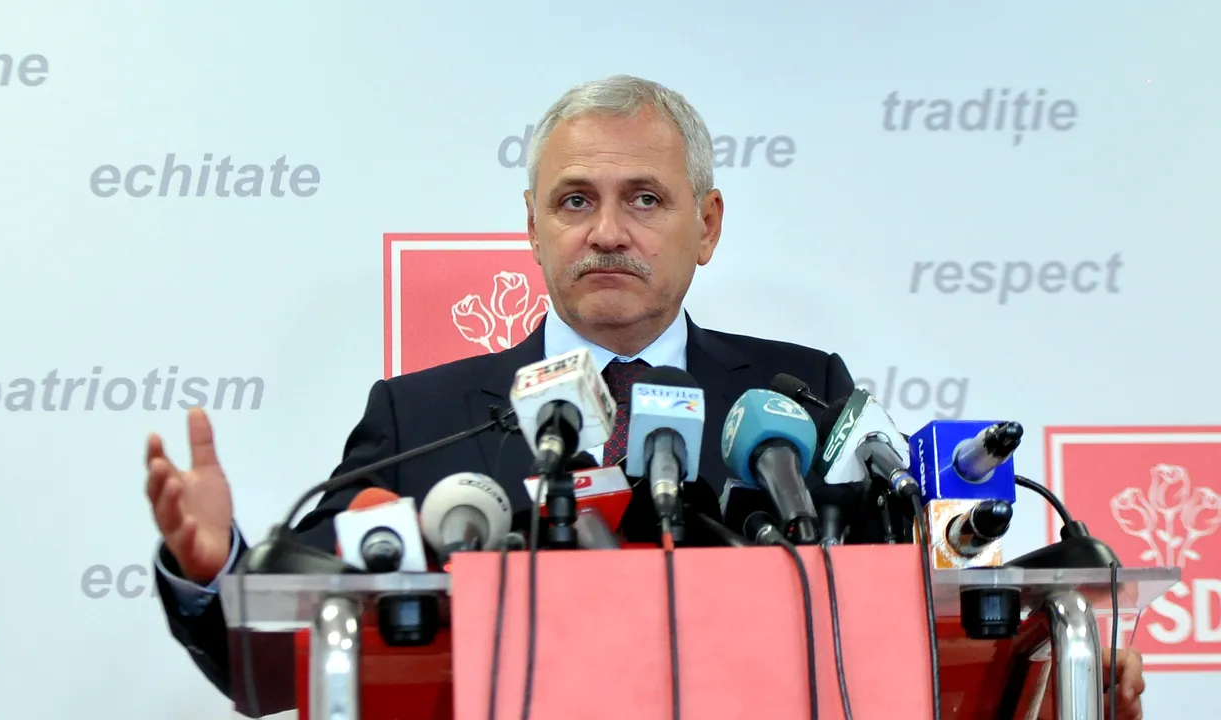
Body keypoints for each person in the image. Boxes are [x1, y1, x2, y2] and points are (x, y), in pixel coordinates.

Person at [145, 75, 1146, 718]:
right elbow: (272, 661)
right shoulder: (423, 418)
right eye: (575, 200)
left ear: (706, 225)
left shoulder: (801, 399)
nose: (608, 232)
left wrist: (1057, 674)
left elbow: (906, 639)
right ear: (532, 226)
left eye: (646, 199)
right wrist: (211, 569)